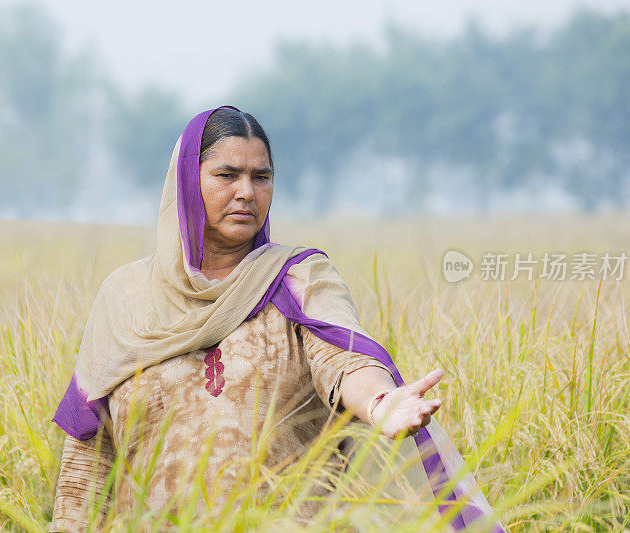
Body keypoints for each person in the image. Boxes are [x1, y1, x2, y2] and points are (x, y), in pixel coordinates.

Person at [49, 105, 504, 532]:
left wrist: (380, 404)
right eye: (227, 174)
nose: (246, 192)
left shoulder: (298, 279)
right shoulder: (125, 297)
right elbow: (89, 455)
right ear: (188, 181)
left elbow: (345, 360)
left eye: (261, 177)